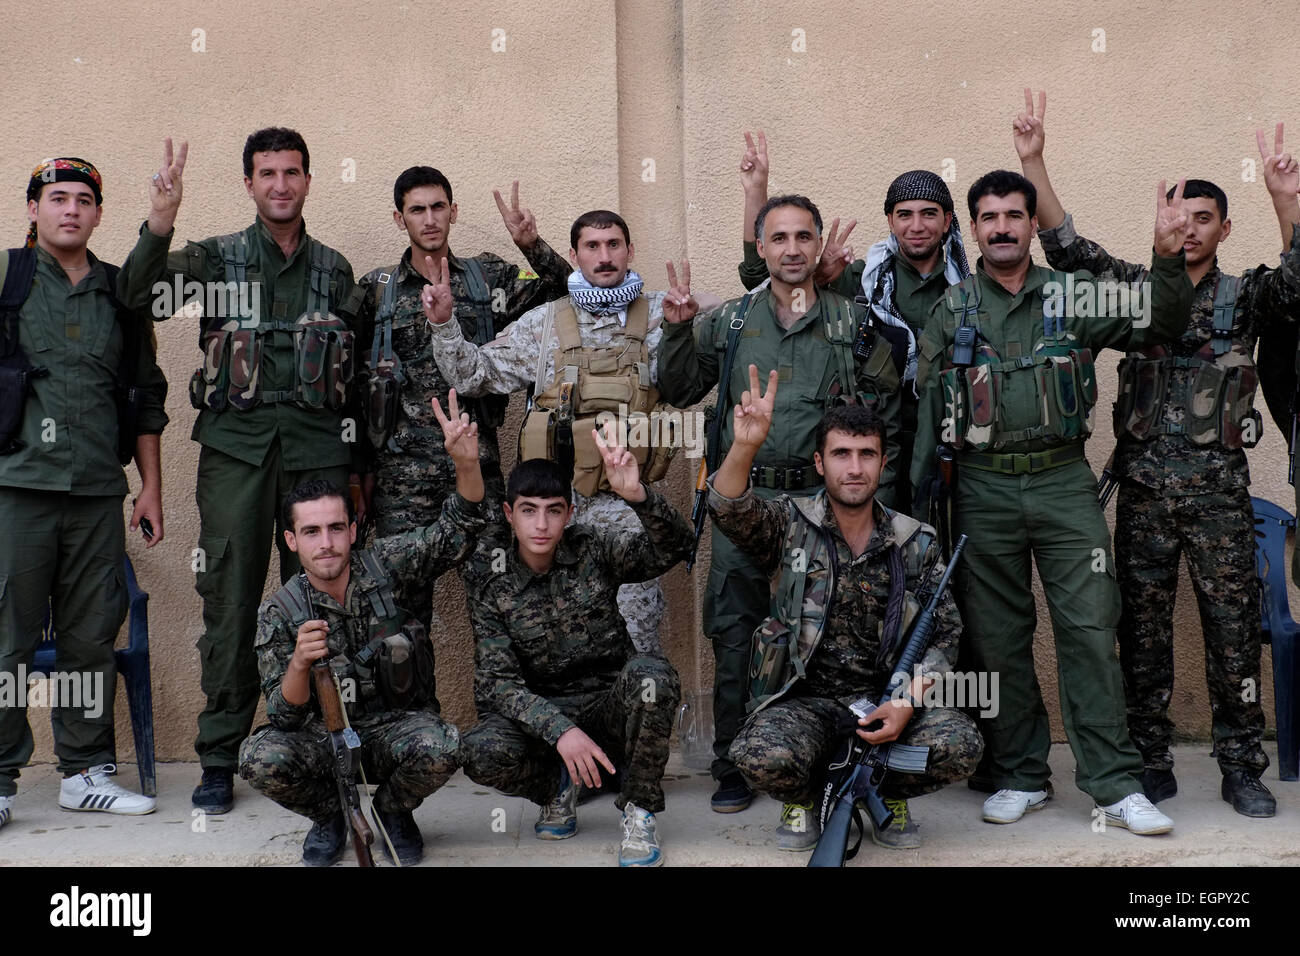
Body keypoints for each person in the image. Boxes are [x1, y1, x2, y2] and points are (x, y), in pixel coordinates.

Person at [1017, 91, 1300, 817]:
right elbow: (1066, 248)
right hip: (1143, 492)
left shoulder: (1248, 295)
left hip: (1219, 497)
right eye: (1180, 218)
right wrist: (1034, 161)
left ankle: (1242, 765)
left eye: (1204, 219)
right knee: (1139, 635)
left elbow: (1298, 286)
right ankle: (1150, 756)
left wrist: (1286, 202)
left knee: (1233, 637)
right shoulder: (1136, 291)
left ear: (1224, 227)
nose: (1191, 229)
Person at [911, 163, 1194, 835]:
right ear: (972, 228)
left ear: (1032, 224)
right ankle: (1020, 773)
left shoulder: (1075, 294)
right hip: (981, 489)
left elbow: (1164, 320)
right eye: (990, 217)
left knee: (1091, 630)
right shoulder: (951, 309)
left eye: (1016, 214)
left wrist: (1164, 255)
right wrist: (921, 519)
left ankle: (1114, 783)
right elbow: (927, 418)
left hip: (1065, 484)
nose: (1003, 227)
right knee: (1000, 639)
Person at [117, 130, 366, 816]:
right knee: (228, 606)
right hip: (235, 455)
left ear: (309, 180)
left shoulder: (336, 270)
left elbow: (359, 382)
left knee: (322, 609)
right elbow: (138, 296)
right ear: (248, 183)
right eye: (267, 174)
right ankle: (221, 756)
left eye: (291, 172)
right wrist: (160, 221)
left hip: (318, 454)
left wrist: (359, 472)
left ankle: (323, 747)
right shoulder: (213, 259)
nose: (280, 185)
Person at [657, 189, 903, 817]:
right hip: (746, 497)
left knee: (836, 631)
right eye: (779, 238)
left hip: (828, 505)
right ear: (760, 248)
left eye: (803, 238)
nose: (792, 249)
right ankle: (735, 762)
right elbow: (678, 387)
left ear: (818, 246)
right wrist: (679, 329)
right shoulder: (733, 321)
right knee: (736, 629)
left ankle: (840, 756)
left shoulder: (852, 321)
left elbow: (890, 411)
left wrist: (881, 502)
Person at [708, 369, 981, 852]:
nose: (854, 468)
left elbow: (944, 638)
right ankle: (814, 797)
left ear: (882, 463)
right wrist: (745, 445)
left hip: (886, 702)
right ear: (820, 462)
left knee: (960, 745)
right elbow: (728, 508)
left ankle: (882, 791)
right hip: (805, 703)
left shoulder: (915, 542)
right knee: (757, 754)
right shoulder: (789, 524)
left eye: (866, 455)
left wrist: (905, 703)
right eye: (841, 454)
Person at [423, 209, 706, 655]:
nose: (605, 255)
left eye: (614, 244)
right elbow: (474, 374)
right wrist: (444, 324)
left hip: (630, 515)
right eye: (592, 246)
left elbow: (710, 358)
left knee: (636, 648)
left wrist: (685, 323)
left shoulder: (664, 314)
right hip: (556, 516)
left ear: (630, 251)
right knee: (556, 647)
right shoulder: (544, 322)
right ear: (573, 255)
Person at [239, 390, 488, 866]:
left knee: (445, 745)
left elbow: (456, 532)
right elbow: (284, 717)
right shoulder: (280, 611)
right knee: (259, 757)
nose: (326, 543)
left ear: (353, 530)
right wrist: (298, 662)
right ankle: (333, 816)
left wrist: (466, 465)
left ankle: (393, 811)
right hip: (324, 741)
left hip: (394, 729)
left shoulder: (390, 565)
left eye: (336, 528)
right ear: (292, 540)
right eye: (311, 532)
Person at [0, 157, 169, 828]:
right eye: (56, 197)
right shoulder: (8, 280)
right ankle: (2, 778)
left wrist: (151, 486)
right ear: (34, 210)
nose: (70, 209)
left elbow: (145, 396)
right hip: (17, 488)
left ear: (99, 215)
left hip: (99, 489)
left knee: (91, 635)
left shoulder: (119, 295)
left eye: (83, 200)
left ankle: (84, 771)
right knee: (7, 633)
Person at [458, 428, 693, 866]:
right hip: (542, 725)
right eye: (529, 511)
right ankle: (557, 788)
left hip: (607, 711)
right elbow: (497, 684)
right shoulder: (491, 575)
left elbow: (676, 547)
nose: (541, 525)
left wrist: (638, 496)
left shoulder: (593, 548)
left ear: (569, 513)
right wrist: (560, 731)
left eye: (553, 511)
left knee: (652, 678)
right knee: (479, 750)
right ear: (510, 513)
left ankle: (639, 810)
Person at [356, 169, 570, 635]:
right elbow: (353, 385)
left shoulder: (488, 277)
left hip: (480, 475)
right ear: (400, 218)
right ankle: (413, 712)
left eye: (438, 207)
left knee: (499, 607)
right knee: (399, 624)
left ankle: (498, 708)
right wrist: (360, 474)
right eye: (417, 209)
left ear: (454, 212)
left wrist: (532, 245)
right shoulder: (377, 289)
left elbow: (569, 292)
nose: (429, 219)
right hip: (402, 484)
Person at [734, 131, 972, 512]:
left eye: (929, 214)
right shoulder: (862, 279)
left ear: (947, 222)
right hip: (877, 449)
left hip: (951, 446)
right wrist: (756, 192)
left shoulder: (969, 292)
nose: (916, 225)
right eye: (904, 214)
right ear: (890, 222)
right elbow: (761, 277)